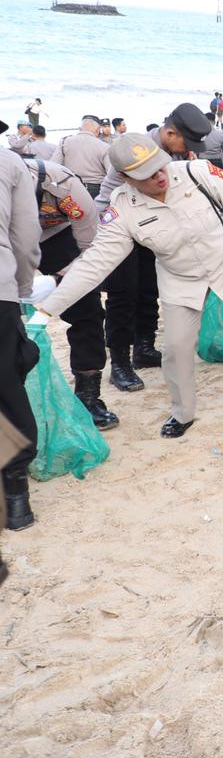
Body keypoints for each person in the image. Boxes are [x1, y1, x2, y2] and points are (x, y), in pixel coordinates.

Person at [33, 134, 223, 439]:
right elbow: (95, 262)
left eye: (158, 167)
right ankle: (182, 412)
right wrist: (48, 309)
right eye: (146, 175)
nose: (158, 176)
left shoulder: (198, 172)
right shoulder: (123, 208)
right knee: (176, 349)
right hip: (181, 278)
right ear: (125, 178)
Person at [95, 104, 212, 391]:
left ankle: (144, 349)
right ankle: (120, 364)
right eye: (187, 142)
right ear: (171, 133)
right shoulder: (138, 148)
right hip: (120, 225)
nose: (189, 149)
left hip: (150, 224)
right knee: (122, 297)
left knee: (149, 287)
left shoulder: (172, 153)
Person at [23, 157, 117, 430]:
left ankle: (89, 397)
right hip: (9, 243)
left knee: (86, 311)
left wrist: (56, 279)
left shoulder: (63, 186)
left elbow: (91, 252)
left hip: (58, 237)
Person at [1, 145, 43, 531]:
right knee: (7, 389)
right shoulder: (9, 160)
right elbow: (26, 234)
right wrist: (20, 287)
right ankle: (15, 497)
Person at [52, 117, 112, 198]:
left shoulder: (64, 142)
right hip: (95, 190)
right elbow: (111, 173)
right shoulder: (104, 146)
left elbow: (53, 166)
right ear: (98, 130)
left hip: (70, 188)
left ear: (80, 129)